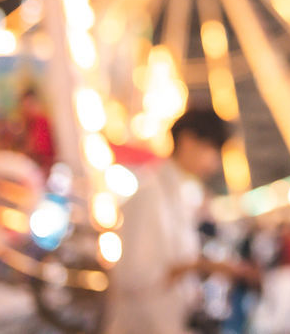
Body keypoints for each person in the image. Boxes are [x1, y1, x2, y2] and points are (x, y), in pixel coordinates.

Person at [104, 107, 253, 334]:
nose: (214, 163)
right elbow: (134, 275)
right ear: (188, 141)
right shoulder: (151, 194)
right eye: (213, 150)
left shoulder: (178, 196)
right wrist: (200, 265)